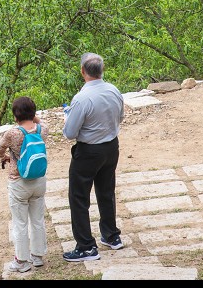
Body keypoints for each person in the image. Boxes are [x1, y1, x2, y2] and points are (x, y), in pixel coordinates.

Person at [61, 52, 125, 262]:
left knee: (79, 197)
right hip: (111, 147)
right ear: (102, 70)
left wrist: (69, 117)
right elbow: (120, 117)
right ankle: (111, 235)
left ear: (82, 72)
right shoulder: (114, 91)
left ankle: (86, 247)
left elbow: (70, 133)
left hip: (88, 152)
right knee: (106, 192)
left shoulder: (82, 99)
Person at [0, 96, 48, 273]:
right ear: (33, 113)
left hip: (19, 182)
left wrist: (6, 157)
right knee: (38, 220)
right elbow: (39, 123)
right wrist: (34, 117)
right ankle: (38, 257)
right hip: (39, 181)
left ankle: (21, 261)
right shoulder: (42, 129)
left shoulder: (13, 133)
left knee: (20, 223)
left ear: (15, 115)